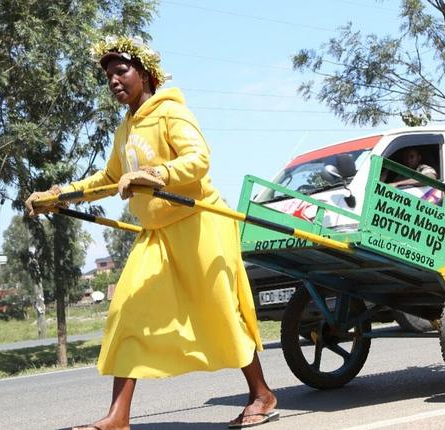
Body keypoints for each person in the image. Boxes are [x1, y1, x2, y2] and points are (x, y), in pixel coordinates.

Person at [25, 36, 278, 429]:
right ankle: (118, 417)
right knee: (128, 311)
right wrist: (60, 195)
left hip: (199, 226)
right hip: (157, 233)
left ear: (145, 74)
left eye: (121, 71)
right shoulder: (124, 130)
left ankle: (261, 393)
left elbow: (198, 159)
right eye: (109, 75)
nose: (114, 80)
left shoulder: (170, 113)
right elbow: (110, 178)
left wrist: (158, 174)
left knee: (219, 311)